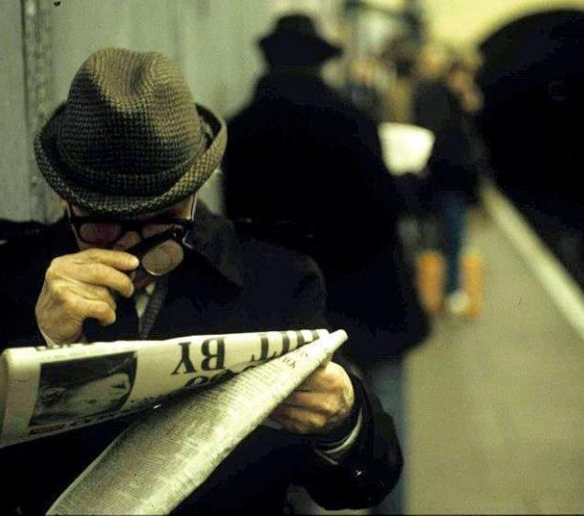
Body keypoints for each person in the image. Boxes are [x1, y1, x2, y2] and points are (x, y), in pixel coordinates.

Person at [0, 47, 402, 515]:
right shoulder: (13, 270)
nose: (136, 247)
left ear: (195, 191)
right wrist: (40, 340)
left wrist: (342, 420)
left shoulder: (277, 280)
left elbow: (362, 482)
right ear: (65, 198)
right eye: (105, 221)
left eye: (162, 219)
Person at [222, 14, 429, 514]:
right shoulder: (350, 118)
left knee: (296, 434)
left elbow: (239, 225)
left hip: (288, 309)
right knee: (379, 430)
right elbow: (384, 205)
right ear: (321, 61)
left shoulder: (241, 128)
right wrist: (409, 183)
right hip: (369, 297)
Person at [415, 49, 489, 315]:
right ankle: (450, 293)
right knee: (451, 240)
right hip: (447, 183)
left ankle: (439, 292)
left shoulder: (451, 101)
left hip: (449, 183)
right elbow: (455, 146)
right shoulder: (443, 102)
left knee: (444, 240)